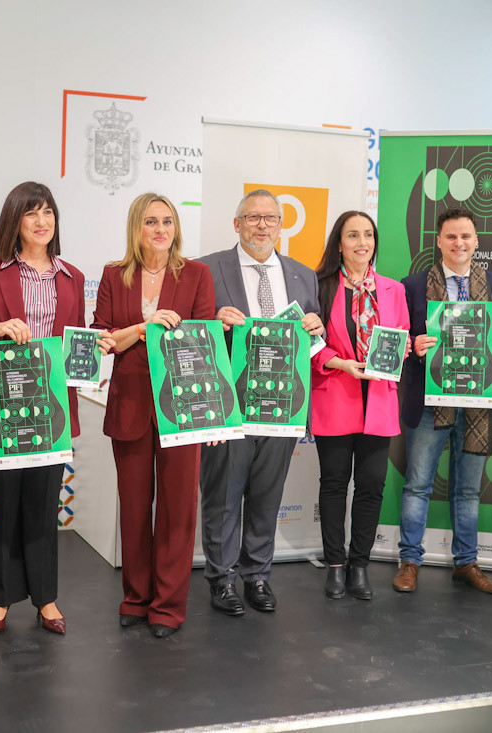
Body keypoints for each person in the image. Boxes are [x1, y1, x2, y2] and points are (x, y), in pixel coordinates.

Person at [0, 182, 107, 637]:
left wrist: (92, 356)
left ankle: (46, 598)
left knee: (44, 506)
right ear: (15, 220)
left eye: (48, 212)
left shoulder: (73, 276)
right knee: (4, 503)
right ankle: (0, 600)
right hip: (2, 401)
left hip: (52, 406)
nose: (42, 221)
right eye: (31, 213)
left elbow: (77, 340)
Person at [91, 192, 215, 638]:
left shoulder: (197, 274)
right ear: (136, 228)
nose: (161, 229)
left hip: (183, 407)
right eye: (151, 222)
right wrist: (142, 329)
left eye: (167, 221)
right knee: (135, 509)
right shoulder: (112, 275)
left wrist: (210, 415)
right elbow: (101, 339)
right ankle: (135, 598)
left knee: (178, 511)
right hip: (129, 404)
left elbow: (204, 340)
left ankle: (167, 605)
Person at [197, 189, 324, 615]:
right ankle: (221, 579)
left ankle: (257, 576)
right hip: (229, 404)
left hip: (282, 406)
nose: (262, 225)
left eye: (270, 218)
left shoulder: (304, 276)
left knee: (267, 496)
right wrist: (214, 323)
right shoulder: (206, 270)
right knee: (223, 495)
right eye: (252, 217)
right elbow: (190, 337)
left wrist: (315, 326)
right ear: (237, 224)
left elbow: (313, 345)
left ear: (281, 225)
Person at [394, 208, 492, 595]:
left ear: (477, 241)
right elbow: (397, 337)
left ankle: (467, 563)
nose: (459, 243)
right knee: (417, 485)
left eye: (466, 236)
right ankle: (410, 560)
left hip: (478, 404)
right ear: (439, 241)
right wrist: (414, 344)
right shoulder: (412, 285)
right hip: (430, 401)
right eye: (451, 237)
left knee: (467, 490)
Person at [311, 211, 409, 600]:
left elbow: (400, 339)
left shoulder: (393, 290)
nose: (362, 242)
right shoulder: (319, 286)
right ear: (339, 243)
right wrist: (338, 362)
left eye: (368, 234)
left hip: (380, 401)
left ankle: (359, 566)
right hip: (335, 394)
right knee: (334, 484)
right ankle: (335, 565)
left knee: (371, 486)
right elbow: (309, 341)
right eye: (353, 235)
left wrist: (399, 351)